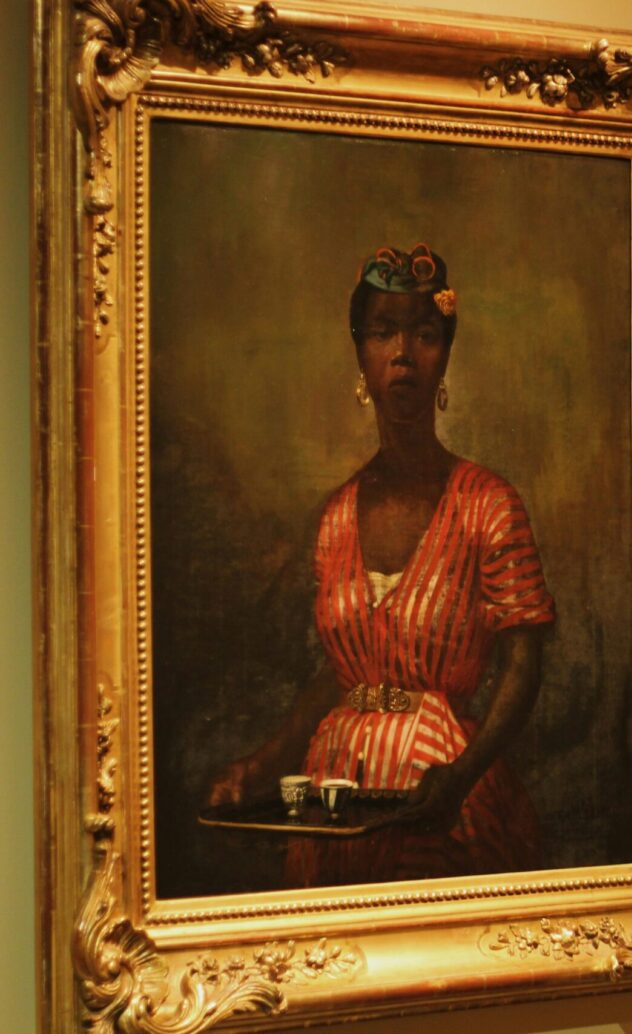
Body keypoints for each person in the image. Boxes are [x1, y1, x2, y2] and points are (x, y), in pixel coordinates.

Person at [208, 243, 555, 885]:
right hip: (336, 794)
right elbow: (342, 675)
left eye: (423, 334)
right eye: (383, 332)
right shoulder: (337, 516)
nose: (403, 353)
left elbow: (523, 664)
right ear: (360, 353)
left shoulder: (488, 505)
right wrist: (259, 766)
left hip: (445, 792)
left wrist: (462, 774)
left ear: (445, 352)